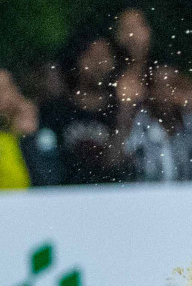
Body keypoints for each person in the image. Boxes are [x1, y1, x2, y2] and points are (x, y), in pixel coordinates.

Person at [43, 37, 131, 185]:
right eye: (92, 57)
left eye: (104, 57)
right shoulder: (56, 110)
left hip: (111, 195)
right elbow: (49, 166)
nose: (99, 64)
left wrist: (124, 114)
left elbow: (117, 164)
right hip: (64, 195)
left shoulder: (119, 109)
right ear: (77, 60)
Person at [118, 64, 192, 182]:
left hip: (190, 197)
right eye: (159, 86)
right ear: (149, 92)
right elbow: (113, 161)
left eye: (172, 86)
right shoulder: (138, 124)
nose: (165, 93)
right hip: (145, 197)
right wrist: (125, 113)